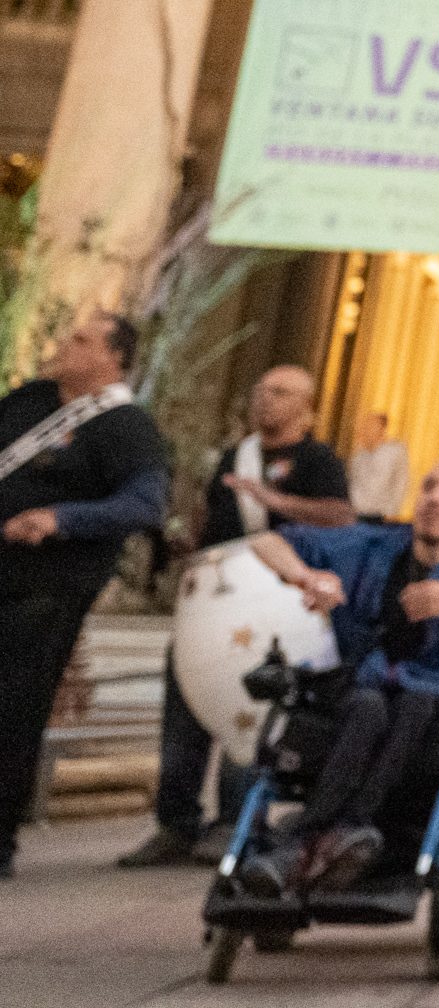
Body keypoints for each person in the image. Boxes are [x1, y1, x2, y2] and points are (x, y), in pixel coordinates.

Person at [231, 457, 439, 896]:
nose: (436, 497)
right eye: (429, 486)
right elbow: (269, 542)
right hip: (367, 690)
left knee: (413, 704)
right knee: (366, 705)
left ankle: (327, 836)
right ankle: (325, 837)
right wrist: (307, 577)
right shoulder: (377, 544)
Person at [117, 361, 354, 869]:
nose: (265, 399)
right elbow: (213, 522)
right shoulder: (235, 456)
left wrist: (273, 500)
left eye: (281, 392)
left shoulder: (318, 460)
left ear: (307, 409)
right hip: (212, 603)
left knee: (248, 709)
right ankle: (174, 823)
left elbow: (340, 517)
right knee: (185, 699)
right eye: (261, 390)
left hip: (270, 604)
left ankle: (233, 823)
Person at [0, 310, 167, 878]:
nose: (63, 345)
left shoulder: (126, 429)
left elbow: (144, 504)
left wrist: (61, 518)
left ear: (112, 358)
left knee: (12, 711)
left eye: (80, 340)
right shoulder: (29, 402)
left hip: (43, 593)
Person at [346, 409, 408, 522]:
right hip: (355, 513)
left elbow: (400, 484)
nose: (365, 429)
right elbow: (351, 482)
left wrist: (392, 512)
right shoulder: (359, 455)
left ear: (381, 428)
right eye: (365, 425)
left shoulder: (395, 453)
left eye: (370, 425)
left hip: (379, 516)